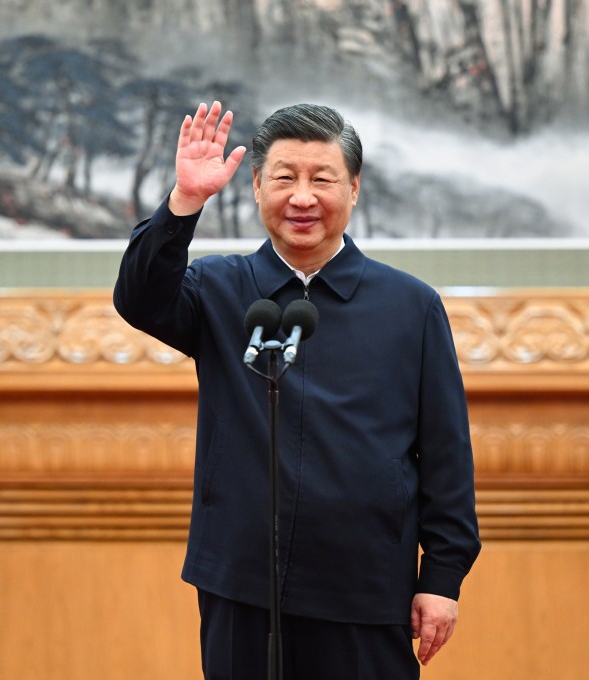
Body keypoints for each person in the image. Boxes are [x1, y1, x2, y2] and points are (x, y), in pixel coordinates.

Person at [113, 101, 481, 678]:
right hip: (242, 583)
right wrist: (184, 202)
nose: (302, 197)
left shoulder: (411, 305)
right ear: (257, 185)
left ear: (354, 189)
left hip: (366, 585)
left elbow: (446, 455)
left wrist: (442, 579)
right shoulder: (218, 287)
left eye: (322, 179)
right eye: (284, 177)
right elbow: (138, 298)